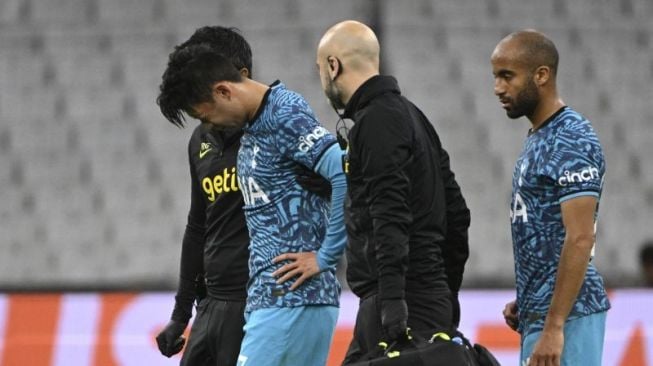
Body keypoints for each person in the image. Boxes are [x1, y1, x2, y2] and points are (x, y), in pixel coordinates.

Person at [157, 44, 347, 366]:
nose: (210, 125)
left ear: (223, 90)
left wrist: (327, 256)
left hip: (290, 300)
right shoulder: (255, 126)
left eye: (206, 115)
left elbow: (343, 171)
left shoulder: (283, 113)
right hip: (275, 303)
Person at [315, 20, 471, 363]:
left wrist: (392, 301)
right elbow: (457, 213)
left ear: (333, 65)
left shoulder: (375, 122)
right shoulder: (414, 116)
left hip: (397, 302)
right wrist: (446, 292)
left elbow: (389, 215)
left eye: (320, 69)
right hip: (426, 297)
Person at [491, 29, 610, 366]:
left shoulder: (570, 138)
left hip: (568, 319)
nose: (497, 88)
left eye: (507, 76)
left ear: (541, 75)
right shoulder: (539, 137)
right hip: (542, 316)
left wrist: (554, 325)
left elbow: (580, 237)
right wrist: (530, 299)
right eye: (496, 76)